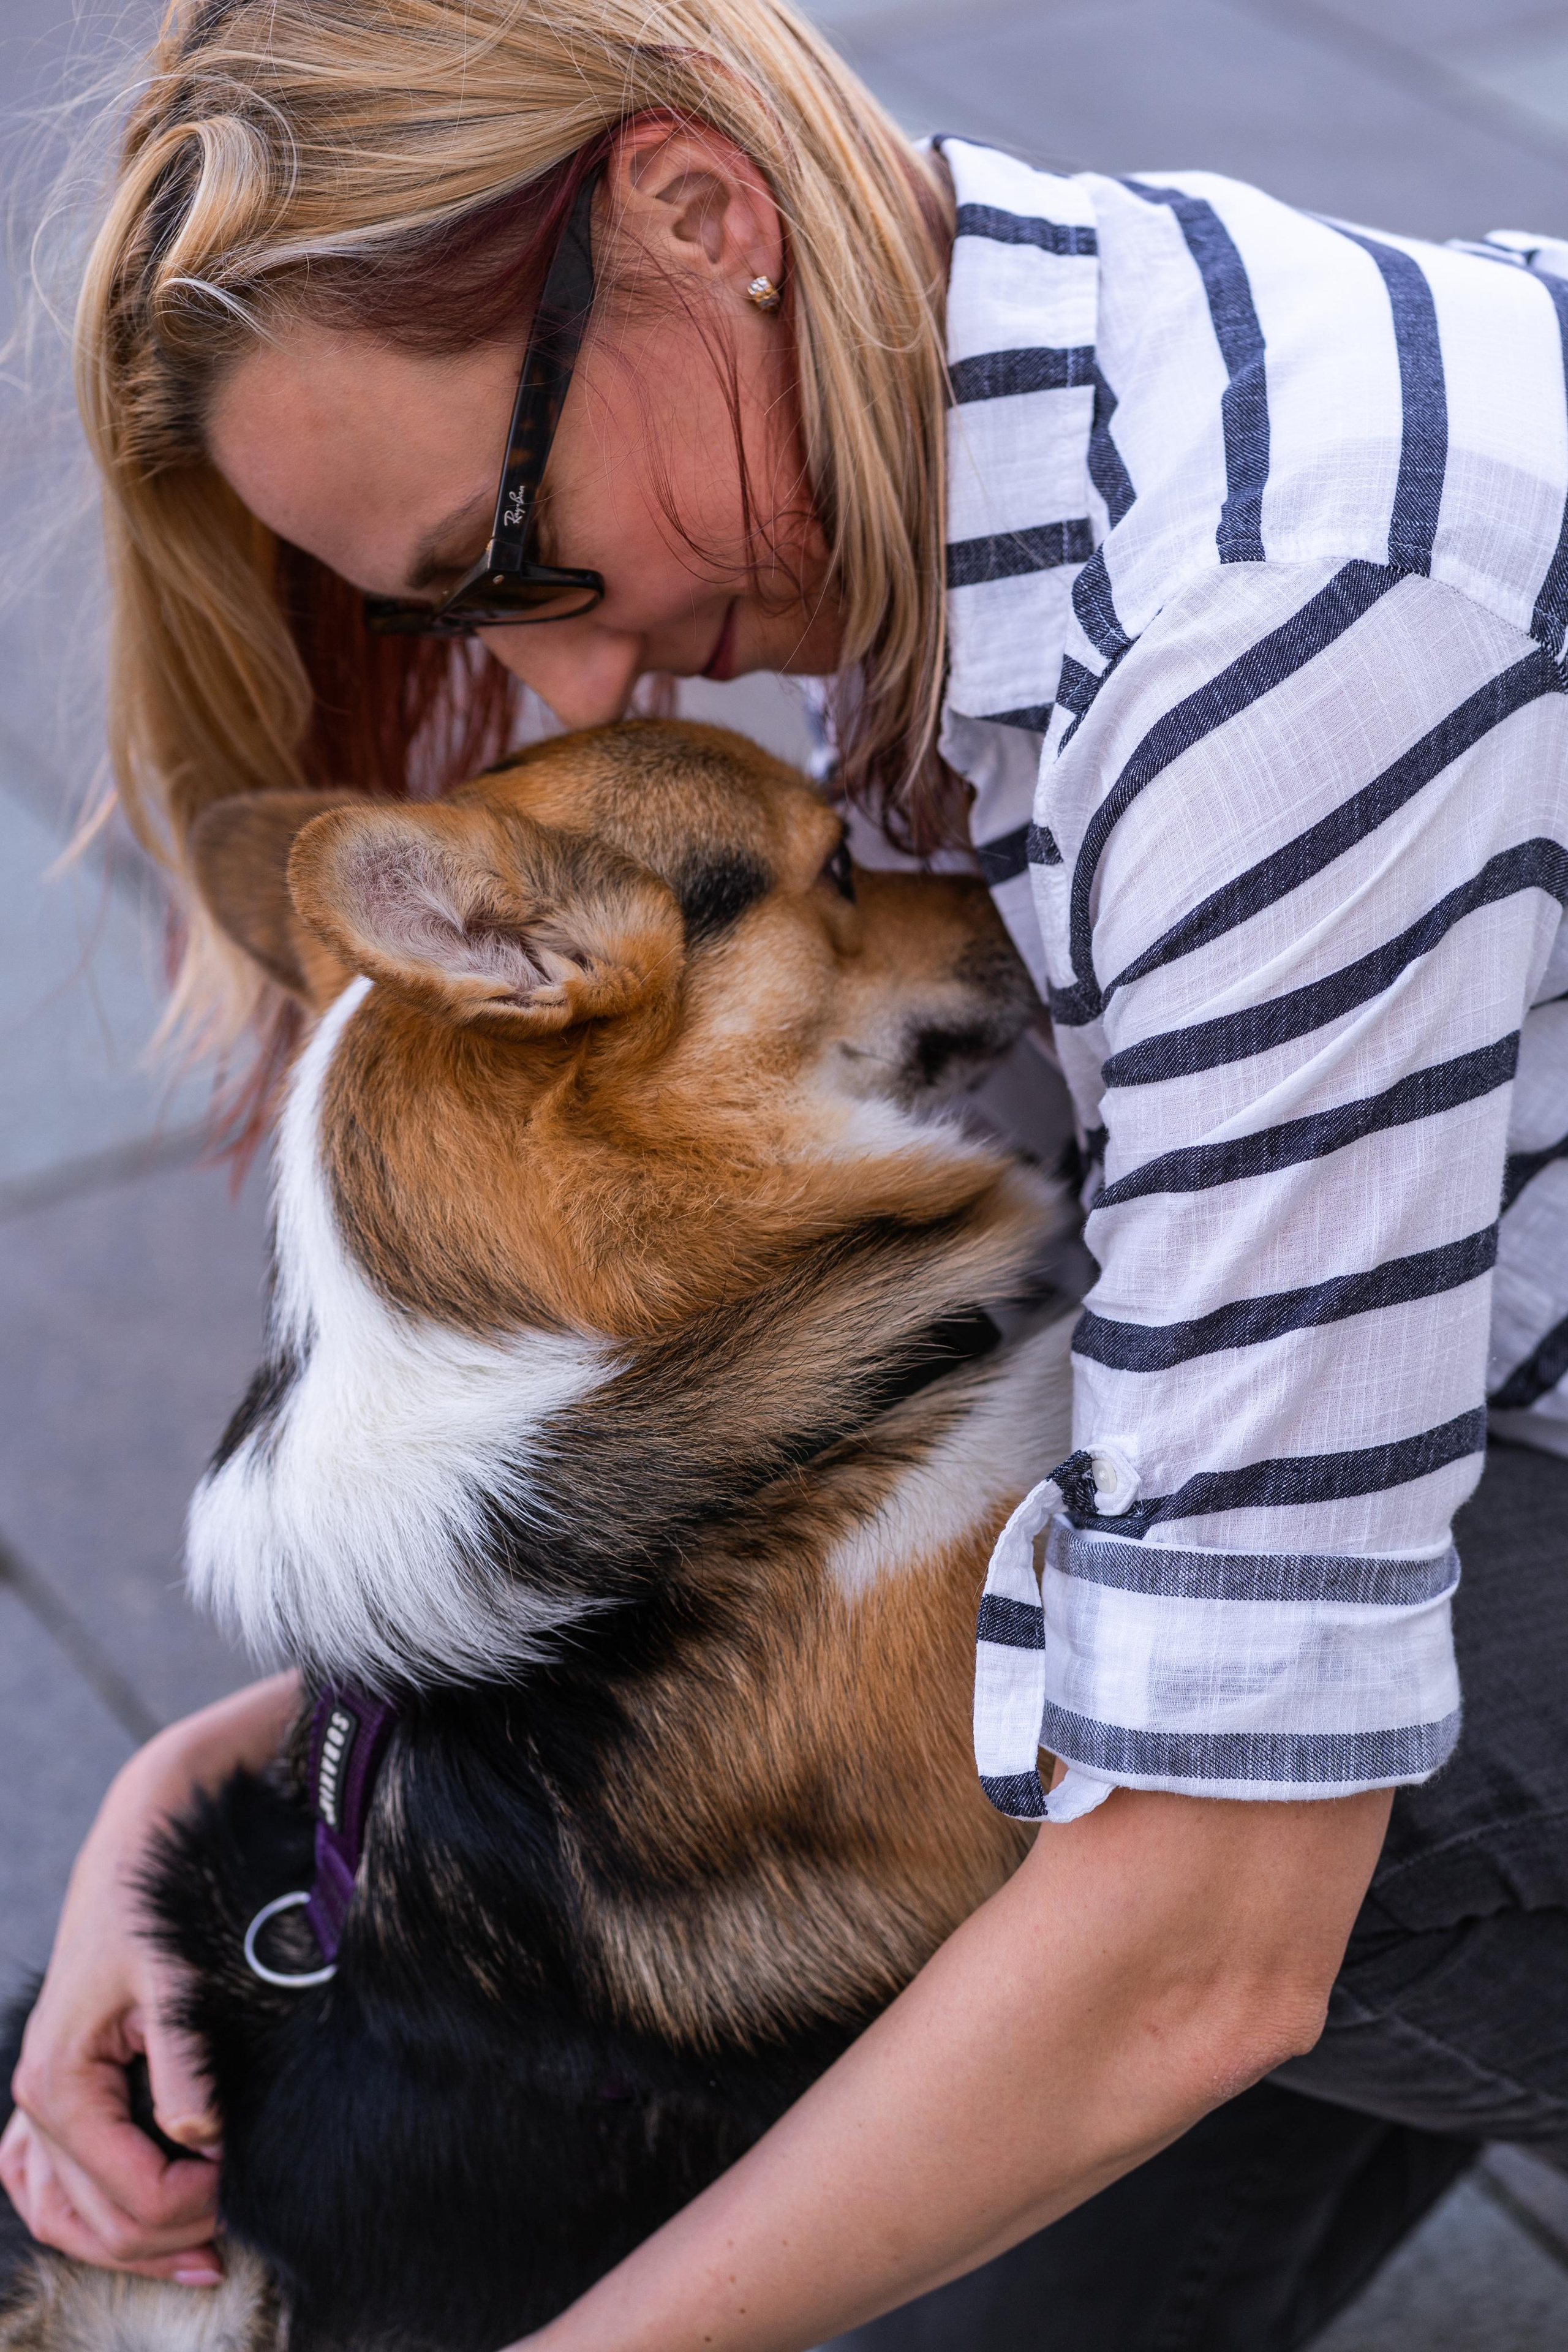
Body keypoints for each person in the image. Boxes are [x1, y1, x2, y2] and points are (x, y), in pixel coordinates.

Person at [5, 2, 1568, 2344]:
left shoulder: (1269, 644)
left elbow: (1206, 1901)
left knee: (890, 1872)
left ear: (695, 213)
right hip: (1439, 1355)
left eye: (505, 549)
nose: (546, 696)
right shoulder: (989, 432)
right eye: (453, 614)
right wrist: (263, 1803)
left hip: (1477, 1468)